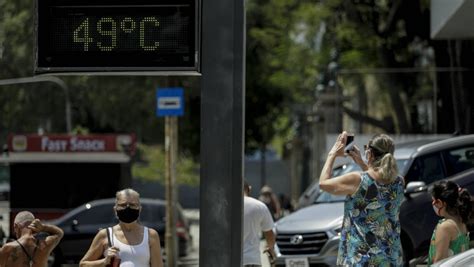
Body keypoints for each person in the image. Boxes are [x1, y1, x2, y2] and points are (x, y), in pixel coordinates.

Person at [319, 131, 404, 266]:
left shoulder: (357, 179)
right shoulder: (399, 181)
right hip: (391, 257)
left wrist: (332, 154)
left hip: (362, 259)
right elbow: (376, 183)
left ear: (369, 154)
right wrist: (362, 163)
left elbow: (323, 184)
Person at [80, 188, 164, 267]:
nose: (128, 208)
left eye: (132, 205)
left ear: (140, 209)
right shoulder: (105, 234)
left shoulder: (151, 235)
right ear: (115, 209)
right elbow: (83, 264)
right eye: (123, 205)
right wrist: (104, 261)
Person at [427, 181, 473, 265]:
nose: (433, 205)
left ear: (440, 203)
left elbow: (439, 262)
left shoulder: (445, 227)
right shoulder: (461, 221)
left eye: (434, 201)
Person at [244, 181, 276, 267]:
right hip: (251, 260)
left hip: (229, 259)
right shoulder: (259, 205)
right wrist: (270, 247)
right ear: (249, 189)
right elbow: (269, 233)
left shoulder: (225, 206)